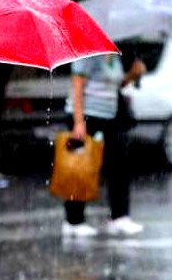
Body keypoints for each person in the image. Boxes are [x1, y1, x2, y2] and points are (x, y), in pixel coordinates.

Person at [62, 54, 145, 237]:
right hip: (87, 117)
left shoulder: (114, 56)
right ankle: (73, 220)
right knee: (81, 168)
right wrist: (79, 122)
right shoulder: (86, 55)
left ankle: (119, 216)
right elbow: (77, 86)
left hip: (110, 117)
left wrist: (132, 75)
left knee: (119, 165)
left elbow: (115, 85)